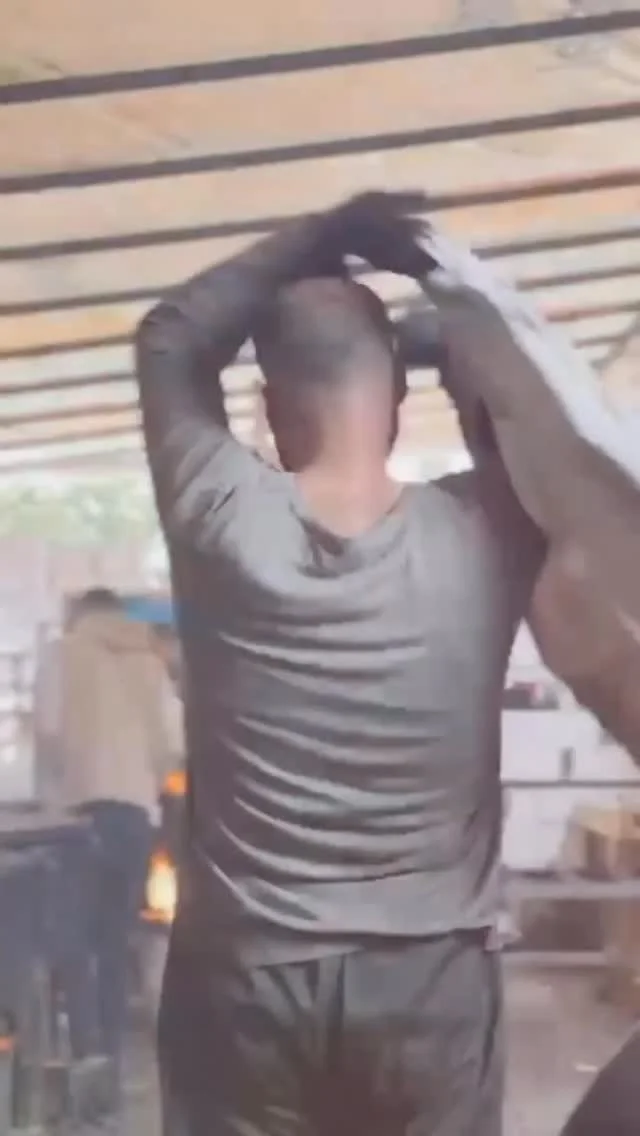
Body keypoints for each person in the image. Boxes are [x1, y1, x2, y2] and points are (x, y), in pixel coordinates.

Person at [135, 193, 546, 1136]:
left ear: (268, 406)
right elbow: (525, 405)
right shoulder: (489, 526)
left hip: (247, 974)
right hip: (430, 977)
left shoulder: (223, 519)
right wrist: (439, 311)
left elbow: (171, 338)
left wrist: (319, 234)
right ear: (401, 399)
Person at [57, 586, 183, 1104]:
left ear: (81, 614)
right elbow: (171, 745)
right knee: (113, 940)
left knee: (71, 940)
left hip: (74, 818)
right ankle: (109, 1058)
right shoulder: (149, 661)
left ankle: (82, 1052)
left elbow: (45, 730)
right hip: (133, 815)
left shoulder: (64, 655)